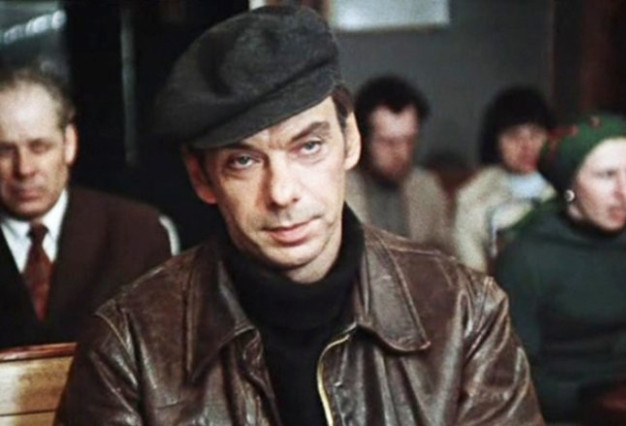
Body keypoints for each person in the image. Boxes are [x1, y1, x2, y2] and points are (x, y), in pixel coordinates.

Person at [57, 6, 543, 425]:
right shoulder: (129, 345)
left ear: (349, 141)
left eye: (308, 146)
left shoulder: (465, 313)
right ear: (202, 177)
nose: (282, 193)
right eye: (244, 161)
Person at [0, 67, 174, 349]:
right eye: (4, 151)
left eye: (39, 147)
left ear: (69, 143)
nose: (25, 169)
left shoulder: (136, 231)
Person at [494, 113, 626, 423]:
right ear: (570, 184)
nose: (624, 190)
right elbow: (510, 374)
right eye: (606, 175)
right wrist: (590, 401)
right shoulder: (528, 258)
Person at [453, 86, 556, 272]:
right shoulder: (473, 197)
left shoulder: (570, 185)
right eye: (513, 136)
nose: (526, 145)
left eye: (535, 134)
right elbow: (471, 272)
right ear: (495, 141)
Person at [346, 75, 451, 251]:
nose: (402, 154)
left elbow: (447, 256)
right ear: (362, 140)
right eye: (389, 143)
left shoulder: (427, 188)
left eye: (410, 141)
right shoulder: (341, 191)